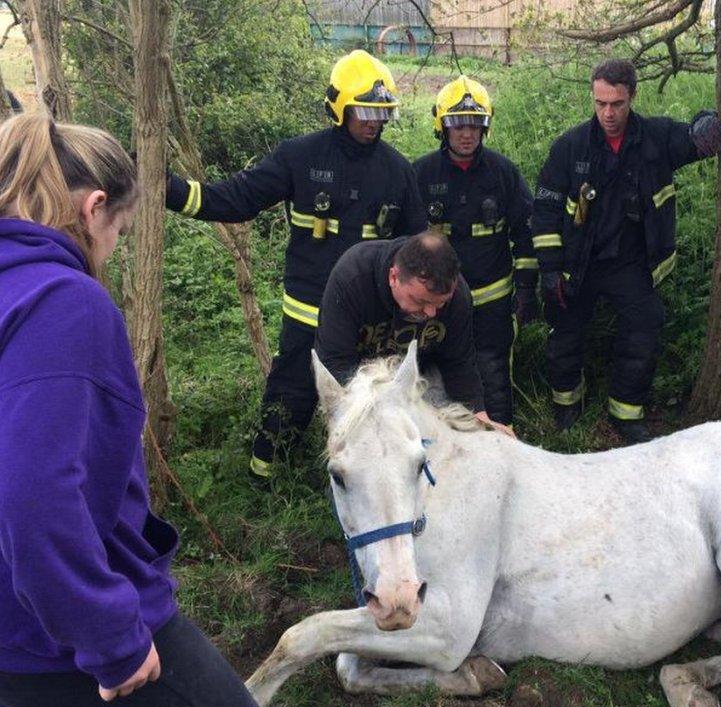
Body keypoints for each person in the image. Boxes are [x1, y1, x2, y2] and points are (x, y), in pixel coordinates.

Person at [0, 114, 273, 707]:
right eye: (119, 230)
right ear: (94, 208)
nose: (112, 248)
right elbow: (30, 495)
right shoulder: (62, 300)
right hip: (63, 633)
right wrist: (110, 638)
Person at [165, 49, 426, 479]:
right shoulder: (301, 156)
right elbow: (235, 199)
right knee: (291, 392)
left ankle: (367, 481)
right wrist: (170, 191)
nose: (372, 121)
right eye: (363, 110)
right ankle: (264, 479)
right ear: (338, 107)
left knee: (371, 399)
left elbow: (417, 250)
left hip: (370, 316)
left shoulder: (397, 171)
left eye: (381, 112)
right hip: (310, 308)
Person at [531, 59, 721, 444]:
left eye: (617, 104)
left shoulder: (656, 138)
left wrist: (708, 125)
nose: (608, 113)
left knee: (644, 327)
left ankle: (626, 413)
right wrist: (550, 270)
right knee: (564, 334)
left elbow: (696, 134)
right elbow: (544, 211)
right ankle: (566, 407)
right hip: (580, 264)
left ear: (632, 97)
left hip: (631, 264)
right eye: (601, 103)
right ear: (593, 98)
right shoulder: (569, 148)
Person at [412, 75, 536, 427]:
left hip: (491, 303)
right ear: (442, 126)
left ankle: (499, 438)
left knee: (494, 372)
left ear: (485, 127)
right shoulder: (420, 175)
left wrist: (526, 290)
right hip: (437, 304)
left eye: (475, 125)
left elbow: (526, 234)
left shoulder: (503, 174)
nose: (467, 134)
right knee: (430, 372)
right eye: (457, 125)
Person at [314, 231, 513, 436]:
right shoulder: (353, 276)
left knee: (451, 435)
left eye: (440, 304)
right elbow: (335, 362)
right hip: (361, 382)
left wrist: (477, 416)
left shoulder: (458, 296)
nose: (430, 313)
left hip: (422, 377)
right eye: (421, 301)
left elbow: (459, 363)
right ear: (394, 276)